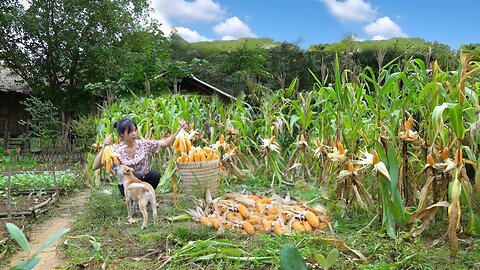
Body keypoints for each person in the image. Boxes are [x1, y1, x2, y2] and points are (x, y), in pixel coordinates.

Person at [93, 118, 186, 197]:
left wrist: (179, 130)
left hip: (144, 182)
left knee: (155, 175)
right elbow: (95, 166)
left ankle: (145, 197)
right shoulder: (115, 150)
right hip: (127, 185)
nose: (134, 133)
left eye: (135, 130)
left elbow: (166, 143)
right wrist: (104, 146)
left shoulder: (143, 144)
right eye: (130, 131)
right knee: (137, 176)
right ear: (122, 134)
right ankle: (134, 199)